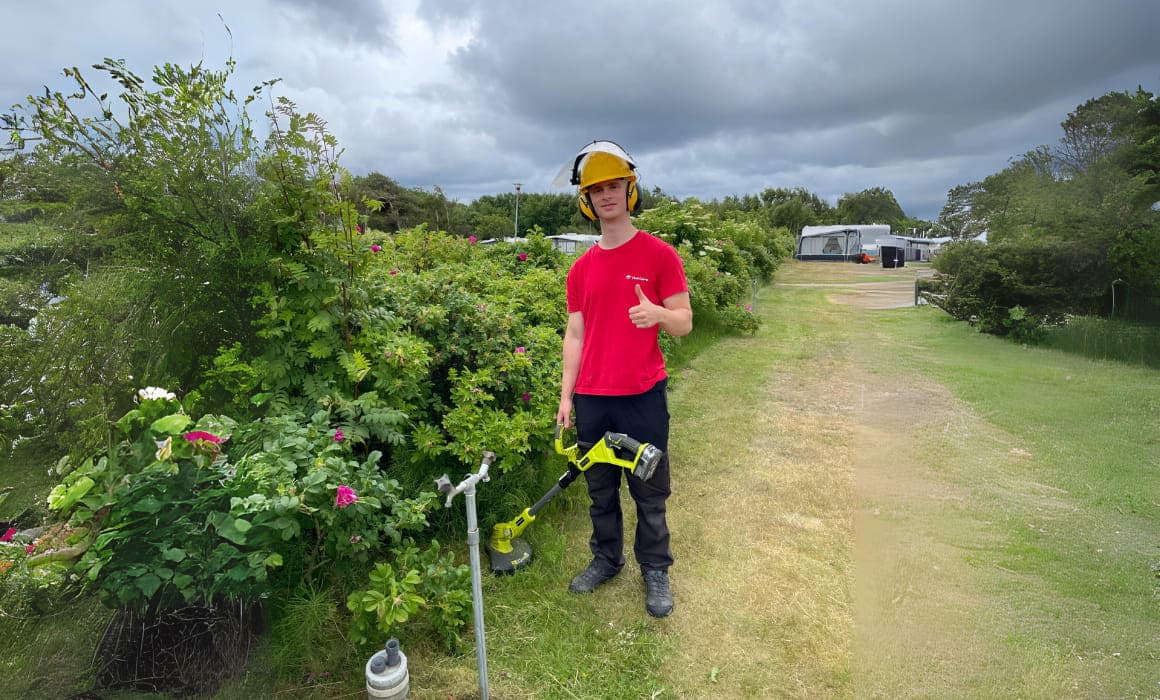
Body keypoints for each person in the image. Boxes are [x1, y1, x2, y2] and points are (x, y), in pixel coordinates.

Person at [554, 140, 693, 618]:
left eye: (615, 186)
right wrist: (566, 395)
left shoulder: (659, 256)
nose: (606, 196)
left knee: (650, 492)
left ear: (630, 192)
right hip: (593, 398)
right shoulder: (580, 269)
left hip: (641, 397)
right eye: (597, 190)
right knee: (600, 491)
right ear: (586, 201)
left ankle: (655, 570)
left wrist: (656, 312)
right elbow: (575, 333)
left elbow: (684, 321)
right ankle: (606, 560)